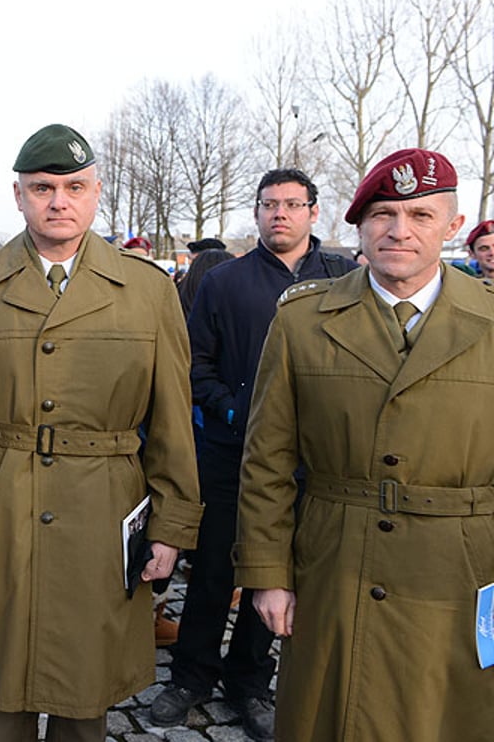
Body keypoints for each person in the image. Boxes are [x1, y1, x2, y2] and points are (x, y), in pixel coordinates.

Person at [0, 124, 203, 740]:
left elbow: (171, 424)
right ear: (18, 195)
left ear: (96, 192)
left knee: (86, 692)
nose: (58, 200)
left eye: (74, 186)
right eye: (42, 187)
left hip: (104, 509)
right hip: (0, 507)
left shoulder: (148, 291)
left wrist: (172, 526)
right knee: (4, 686)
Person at [235, 148, 494, 741]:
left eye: (421, 216)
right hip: (336, 562)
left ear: (453, 226)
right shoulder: (303, 320)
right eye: (381, 214)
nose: (398, 231)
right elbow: (268, 459)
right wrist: (268, 572)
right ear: (358, 225)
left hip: (461, 569)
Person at [150, 168, 356, 739]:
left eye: (292, 204)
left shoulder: (341, 280)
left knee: (275, 571)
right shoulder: (224, 282)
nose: (279, 214)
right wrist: (234, 410)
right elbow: (196, 365)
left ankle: (249, 679)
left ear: (315, 211)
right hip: (228, 453)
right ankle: (190, 676)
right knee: (213, 569)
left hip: (308, 464)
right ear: (257, 212)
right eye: (269, 205)